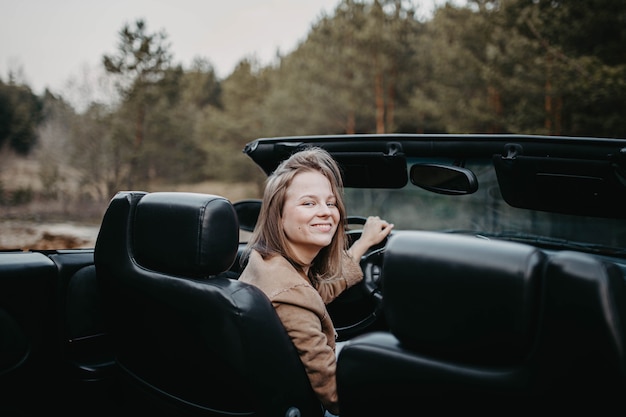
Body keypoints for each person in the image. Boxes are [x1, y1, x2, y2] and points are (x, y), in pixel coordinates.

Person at [239, 147, 393, 416]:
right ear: (279, 215)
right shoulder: (291, 296)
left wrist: (364, 243)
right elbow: (334, 394)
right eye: (309, 203)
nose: (326, 212)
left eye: (331, 203)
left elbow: (316, 292)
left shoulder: (267, 263)